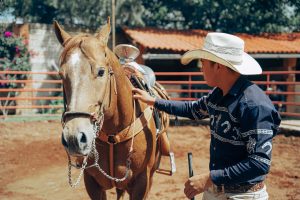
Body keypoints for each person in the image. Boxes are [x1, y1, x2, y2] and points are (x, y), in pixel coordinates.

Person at [133, 32, 281, 200]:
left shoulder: (254, 106)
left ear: (218, 66)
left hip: (243, 195)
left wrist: (209, 178)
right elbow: (192, 109)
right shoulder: (218, 95)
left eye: (202, 62)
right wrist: (153, 101)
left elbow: (259, 163)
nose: (200, 67)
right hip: (217, 189)